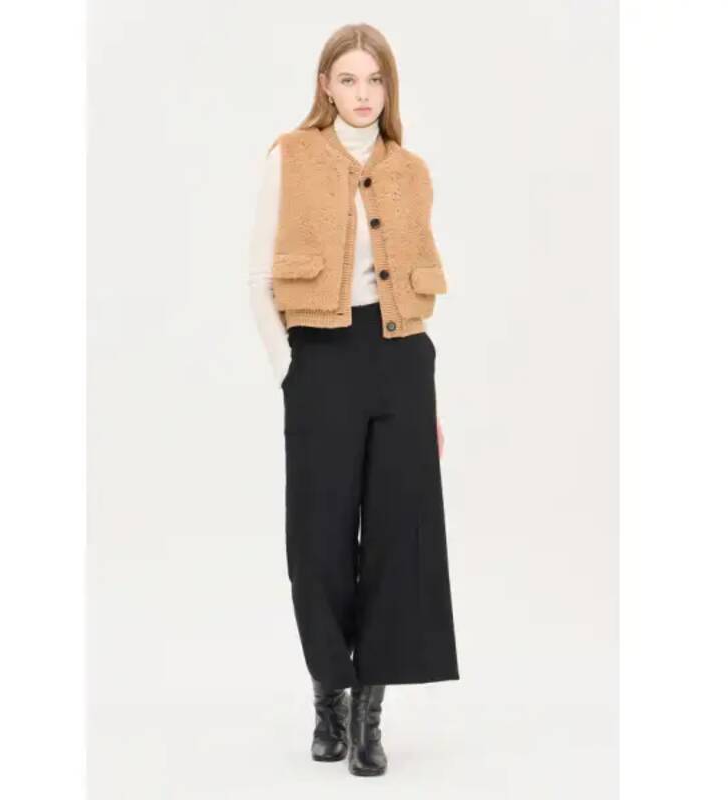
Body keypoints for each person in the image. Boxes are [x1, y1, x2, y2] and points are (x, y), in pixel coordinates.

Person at [247, 23, 459, 777]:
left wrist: (427, 403)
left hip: (401, 364)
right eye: (348, 79)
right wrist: (291, 370)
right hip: (322, 360)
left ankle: (371, 714)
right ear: (325, 87)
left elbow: (411, 303)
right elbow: (257, 279)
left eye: (375, 80)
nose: (363, 94)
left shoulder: (412, 170)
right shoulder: (290, 155)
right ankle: (328, 696)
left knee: (400, 538)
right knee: (319, 539)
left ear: (388, 88)